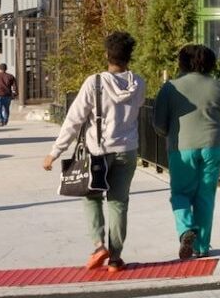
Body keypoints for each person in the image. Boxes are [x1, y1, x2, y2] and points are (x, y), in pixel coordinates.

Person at [42, 31, 146, 272]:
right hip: (127, 150)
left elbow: (74, 119)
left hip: (98, 151)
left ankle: (99, 245)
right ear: (129, 56)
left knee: (91, 197)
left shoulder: (94, 83)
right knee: (119, 203)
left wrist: (55, 152)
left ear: (107, 54)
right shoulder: (139, 83)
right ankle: (115, 259)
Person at [150, 44, 220, 260]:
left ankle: (186, 229)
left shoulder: (170, 88)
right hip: (213, 145)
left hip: (182, 147)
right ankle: (201, 247)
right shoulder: (219, 86)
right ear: (210, 63)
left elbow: (158, 124)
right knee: (205, 195)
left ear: (182, 62)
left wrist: (169, 132)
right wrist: (218, 129)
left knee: (180, 194)